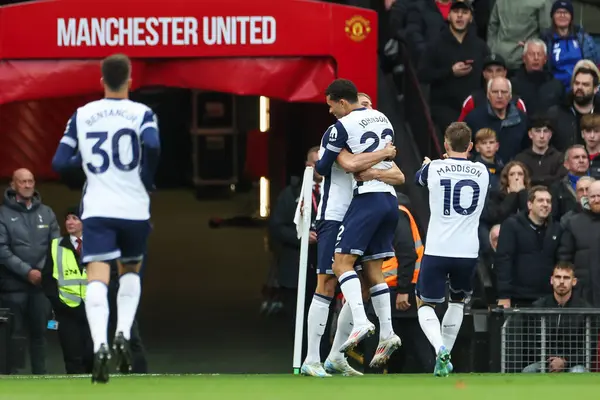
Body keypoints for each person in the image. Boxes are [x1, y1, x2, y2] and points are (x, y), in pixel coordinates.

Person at [51, 53, 160, 383]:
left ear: (101, 81)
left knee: (97, 276)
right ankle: (123, 333)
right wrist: (147, 177)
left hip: (97, 208)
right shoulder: (143, 113)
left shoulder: (83, 115)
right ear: (130, 79)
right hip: (134, 207)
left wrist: (85, 168)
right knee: (130, 270)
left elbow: (59, 162)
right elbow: (153, 144)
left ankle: (100, 344)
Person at [302, 93, 405, 377]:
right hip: (335, 214)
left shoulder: (367, 139)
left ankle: (336, 356)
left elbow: (398, 176)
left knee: (360, 286)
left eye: (370, 105)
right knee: (326, 281)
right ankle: (312, 358)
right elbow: (345, 165)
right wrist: (381, 156)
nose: (367, 110)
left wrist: (375, 170)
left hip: (362, 211)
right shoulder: (336, 137)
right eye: (362, 105)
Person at [414, 122, 490, 377]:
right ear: (470, 146)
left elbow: (419, 178)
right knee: (457, 301)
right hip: (467, 251)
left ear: (445, 144)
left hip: (437, 248)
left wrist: (430, 163)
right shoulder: (482, 171)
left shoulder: (434, 167)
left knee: (425, 304)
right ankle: (443, 359)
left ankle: (439, 349)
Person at [0, 168, 60, 374]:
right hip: (12, 286)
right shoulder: (3, 214)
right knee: (13, 335)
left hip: (40, 287)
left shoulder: (47, 213)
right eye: (22, 182)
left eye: (30, 181)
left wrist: (41, 273)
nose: (27, 185)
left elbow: (56, 247)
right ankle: (12, 379)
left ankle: (40, 377)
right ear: (13, 185)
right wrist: (27, 272)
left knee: (40, 334)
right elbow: (2, 249)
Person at [42, 207, 93, 374]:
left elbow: (110, 274)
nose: (70, 222)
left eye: (75, 218)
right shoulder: (56, 245)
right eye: (67, 218)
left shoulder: (97, 244)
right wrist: (57, 303)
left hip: (93, 309)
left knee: (92, 355)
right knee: (72, 357)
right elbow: (48, 278)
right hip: (66, 311)